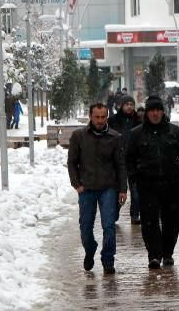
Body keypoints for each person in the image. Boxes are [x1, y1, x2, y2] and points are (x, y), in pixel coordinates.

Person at [126, 96, 179, 269]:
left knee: (171, 221)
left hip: (172, 184)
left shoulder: (174, 132)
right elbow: (129, 158)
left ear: (163, 112)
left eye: (158, 110)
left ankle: (168, 252)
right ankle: (154, 255)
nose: (155, 114)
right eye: (152, 110)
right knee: (149, 221)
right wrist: (133, 177)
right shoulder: (136, 134)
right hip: (147, 185)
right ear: (146, 113)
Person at [67, 103, 127, 275]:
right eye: (97, 117)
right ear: (90, 116)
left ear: (107, 116)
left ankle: (108, 259)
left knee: (108, 226)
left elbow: (120, 165)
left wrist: (123, 189)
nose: (100, 120)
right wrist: (76, 184)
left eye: (103, 117)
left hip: (108, 187)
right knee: (85, 227)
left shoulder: (115, 137)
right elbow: (72, 162)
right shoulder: (79, 136)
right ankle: (90, 248)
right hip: (86, 188)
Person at [108, 95, 142, 224]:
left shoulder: (138, 120)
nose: (129, 106)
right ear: (121, 105)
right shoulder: (113, 120)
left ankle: (135, 214)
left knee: (135, 190)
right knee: (118, 189)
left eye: (131, 104)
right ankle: (114, 213)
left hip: (134, 160)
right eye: (126, 104)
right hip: (117, 159)